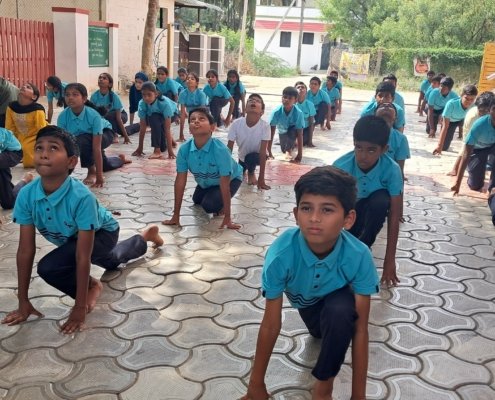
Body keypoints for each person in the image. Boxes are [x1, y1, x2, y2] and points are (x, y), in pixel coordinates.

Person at [1, 126, 163, 334]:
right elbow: (25, 250)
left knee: (50, 267)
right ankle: (145, 236)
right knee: (111, 260)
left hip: (103, 233)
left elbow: (82, 256)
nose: (44, 153)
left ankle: (92, 286)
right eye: (39, 147)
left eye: (53, 148)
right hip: (73, 239)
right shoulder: (27, 195)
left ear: (71, 161)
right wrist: (23, 301)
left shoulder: (81, 197)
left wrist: (79, 308)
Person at [241, 166, 379, 400]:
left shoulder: (359, 255)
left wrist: (359, 396)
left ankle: (324, 388)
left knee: (340, 311)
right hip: (309, 311)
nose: (314, 218)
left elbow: (360, 330)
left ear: (348, 219)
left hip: (339, 312)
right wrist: (255, 386)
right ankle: (324, 334)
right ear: (296, 214)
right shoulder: (281, 255)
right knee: (322, 330)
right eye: (306, 208)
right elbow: (271, 324)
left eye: (327, 210)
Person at [333, 115, 403, 287]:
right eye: (359, 148)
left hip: (371, 213)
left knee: (381, 199)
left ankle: (362, 249)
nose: (363, 156)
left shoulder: (392, 170)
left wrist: (389, 260)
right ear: (353, 144)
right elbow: (329, 206)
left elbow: (395, 215)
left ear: (384, 149)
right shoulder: (340, 167)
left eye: (371, 150)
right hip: (346, 214)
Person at [162, 107, 242, 229]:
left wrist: (227, 217)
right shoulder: (184, 150)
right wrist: (176, 216)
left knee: (209, 205)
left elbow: (224, 183)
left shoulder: (220, 150)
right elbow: (180, 181)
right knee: (197, 200)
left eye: (201, 119)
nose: (196, 121)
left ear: (212, 127)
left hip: (231, 179)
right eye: (192, 119)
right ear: (190, 129)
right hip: (207, 182)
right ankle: (210, 193)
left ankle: (219, 205)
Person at [58, 83, 131, 187]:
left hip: (105, 133)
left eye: (75, 94)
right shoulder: (62, 117)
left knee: (83, 141)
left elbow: (96, 148)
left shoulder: (93, 115)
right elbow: (63, 145)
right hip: (86, 138)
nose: (70, 97)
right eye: (67, 95)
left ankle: (91, 171)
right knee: (105, 165)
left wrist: (99, 177)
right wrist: (59, 177)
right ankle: (120, 160)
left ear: (84, 99)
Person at [451, 97, 495, 197]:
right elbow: (466, 153)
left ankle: (492, 187)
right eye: (494, 109)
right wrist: (457, 183)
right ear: (490, 110)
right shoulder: (480, 124)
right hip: (477, 149)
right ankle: (474, 174)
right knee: (475, 185)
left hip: (493, 147)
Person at [227, 93, 271, 189]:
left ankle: (251, 172)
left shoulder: (265, 126)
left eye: (257, 101)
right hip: (242, 157)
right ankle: (244, 169)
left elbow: (263, 151)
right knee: (238, 173)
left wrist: (261, 178)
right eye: (250, 100)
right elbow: (229, 148)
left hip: (257, 157)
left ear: (262, 111)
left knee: (251, 158)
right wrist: (226, 169)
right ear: (245, 109)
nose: (253, 101)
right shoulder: (236, 124)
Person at [447, 92, 494, 176]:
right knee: (467, 147)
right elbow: (466, 144)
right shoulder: (473, 118)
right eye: (480, 111)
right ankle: (456, 168)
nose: (482, 113)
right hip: (475, 140)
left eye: (485, 111)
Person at [5, 82, 48, 168]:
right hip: (19, 137)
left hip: (34, 137)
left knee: (29, 159)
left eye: (28, 87)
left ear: (34, 97)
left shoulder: (37, 110)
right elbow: (9, 127)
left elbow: (42, 130)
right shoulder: (11, 107)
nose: (23, 86)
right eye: (23, 85)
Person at [131, 82, 176, 160]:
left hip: (172, 115)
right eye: (144, 95)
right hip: (157, 118)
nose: (146, 98)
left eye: (149, 95)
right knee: (163, 147)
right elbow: (143, 126)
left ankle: (157, 151)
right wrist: (140, 148)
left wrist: (170, 152)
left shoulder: (164, 103)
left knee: (154, 118)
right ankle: (170, 141)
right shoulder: (142, 104)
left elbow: (167, 128)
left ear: (156, 94)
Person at [433, 84, 477, 154]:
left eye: (472, 99)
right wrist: (439, 146)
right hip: (451, 121)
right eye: (466, 98)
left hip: (463, 120)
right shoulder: (451, 104)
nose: (469, 102)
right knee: (444, 147)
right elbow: (445, 126)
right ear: (461, 95)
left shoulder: (474, 106)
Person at [90, 73, 131, 144]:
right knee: (124, 130)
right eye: (100, 78)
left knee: (110, 115)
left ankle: (114, 134)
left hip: (121, 115)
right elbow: (92, 114)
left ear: (110, 84)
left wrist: (126, 138)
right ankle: (138, 126)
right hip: (106, 119)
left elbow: (118, 118)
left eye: (104, 78)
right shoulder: (94, 96)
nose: (101, 79)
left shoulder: (114, 96)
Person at [268, 86, 304, 163]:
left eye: (290, 98)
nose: (286, 100)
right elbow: (271, 132)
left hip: (293, 132)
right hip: (282, 132)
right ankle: (289, 147)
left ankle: (289, 150)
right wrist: (269, 151)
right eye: (284, 97)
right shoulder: (276, 112)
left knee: (292, 130)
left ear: (295, 100)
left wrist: (300, 154)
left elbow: (300, 134)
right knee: (283, 149)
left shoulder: (298, 113)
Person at [0, 127, 33, 210]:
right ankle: (8, 190)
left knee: (9, 203)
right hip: (2, 156)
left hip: (14, 153)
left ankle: (25, 181)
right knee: (8, 201)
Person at [375, 103, 410, 179]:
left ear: (395, 118)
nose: (386, 106)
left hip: (388, 178)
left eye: (390, 106)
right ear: (374, 115)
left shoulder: (401, 139)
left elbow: (400, 169)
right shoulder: (366, 133)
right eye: (382, 106)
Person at [178, 72, 208, 141]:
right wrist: (181, 134)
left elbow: (202, 111)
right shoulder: (182, 94)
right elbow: (182, 114)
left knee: (199, 128)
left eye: (192, 79)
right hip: (190, 113)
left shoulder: (201, 94)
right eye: (188, 78)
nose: (189, 80)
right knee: (192, 128)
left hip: (203, 111)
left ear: (197, 83)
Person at [126, 71, 149, 135]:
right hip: (141, 109)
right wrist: (131, 124)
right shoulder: (133, 89)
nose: (137, 84)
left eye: (140, 82)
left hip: (153, 113)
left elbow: (152, 107)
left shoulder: (150, 89)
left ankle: (149, 125)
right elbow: (132, 107)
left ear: (145, 83)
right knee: (129, 129)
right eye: (136, 82)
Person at [294, 81, 316, 147]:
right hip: (293, 128)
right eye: (298, 87)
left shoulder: (310, 105)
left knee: (302, 143)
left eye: (303, 87)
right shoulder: (291, 104)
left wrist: (310, 141)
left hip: (305, 128)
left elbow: (311, 123)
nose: (300, 88)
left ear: (306, 92)